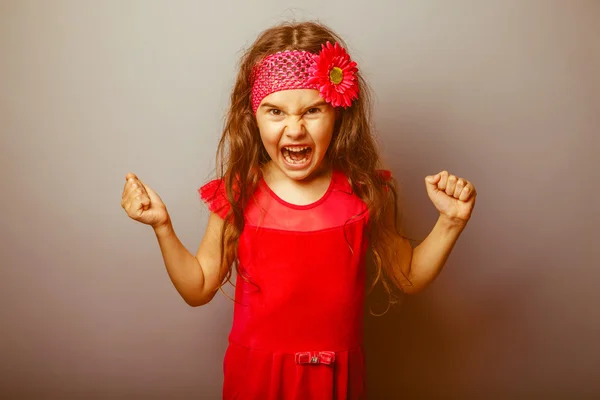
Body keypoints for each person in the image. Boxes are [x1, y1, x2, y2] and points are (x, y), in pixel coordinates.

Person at [120, 21, 476, 400]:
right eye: (276, 112)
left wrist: (451, 222)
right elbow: (199, 286)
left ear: (338, 112)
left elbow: (407, 275)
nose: (294, 129)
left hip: (337, 383)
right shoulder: (238, 194)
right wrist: (162, 227)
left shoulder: (364, 192)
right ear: (252, 116)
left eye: (312, 110)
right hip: (256, 380)